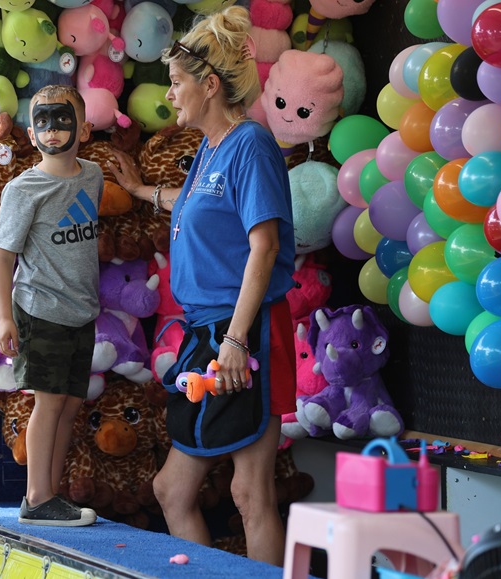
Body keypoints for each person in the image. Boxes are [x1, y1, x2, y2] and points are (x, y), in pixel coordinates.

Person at [106, 6, 297, 565]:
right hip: (206, 333)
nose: (170, 94)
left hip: (244, 332)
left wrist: (237, 340)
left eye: (176, 82)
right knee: (174, 490)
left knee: (249, 492)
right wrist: (143, 192)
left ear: (210, 85)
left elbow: (263, 246)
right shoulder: (209, 150)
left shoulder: (251, 144)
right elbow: (195, 204)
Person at [0, 85, 102, 527]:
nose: (52, 131)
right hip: (41, 310)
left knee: (70, 404)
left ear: (85, 128)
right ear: (31, 133)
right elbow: (2, 258)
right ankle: (37, 498)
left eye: (62, 120)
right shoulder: (24, 189)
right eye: (43, 122)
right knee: (49, 403)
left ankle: (51, 497)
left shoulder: (92, 175)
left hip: (82, 311)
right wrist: (4, 317)